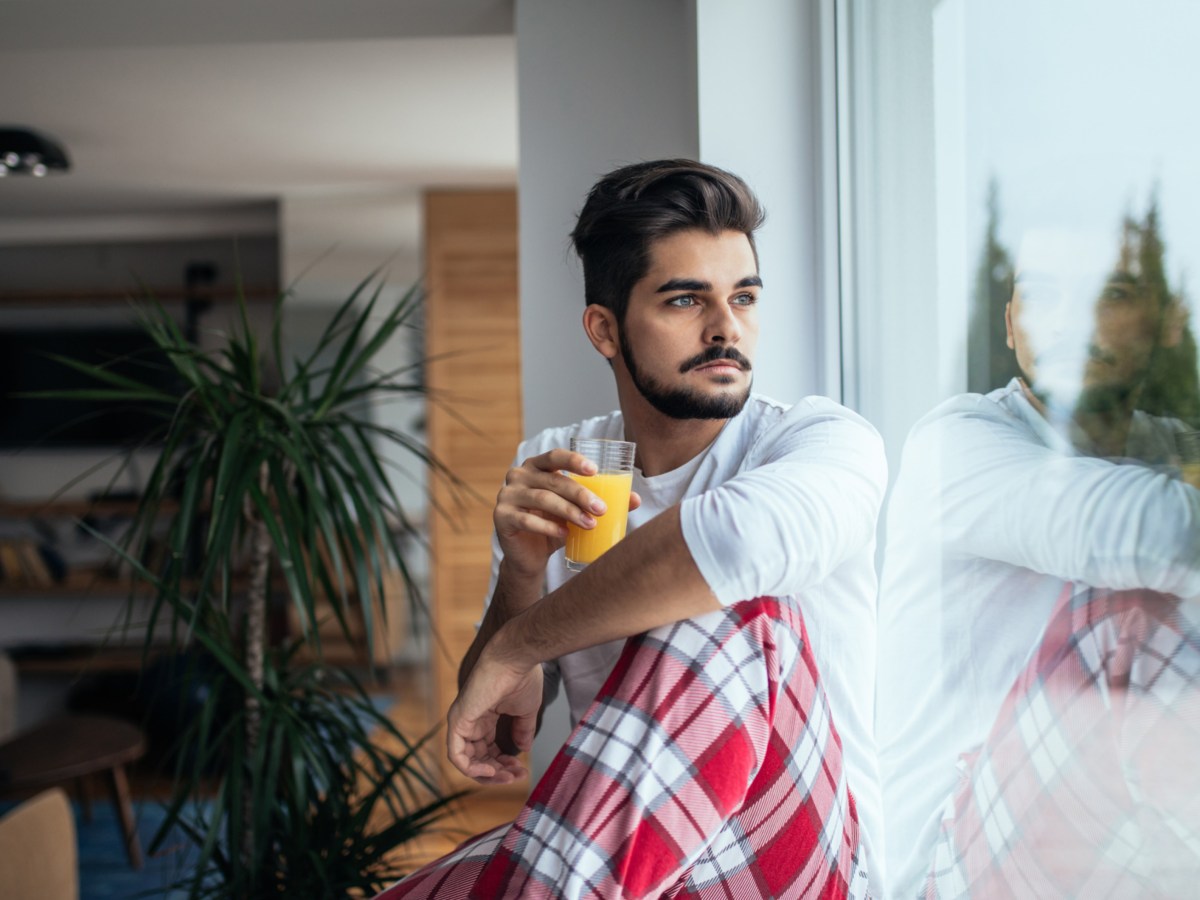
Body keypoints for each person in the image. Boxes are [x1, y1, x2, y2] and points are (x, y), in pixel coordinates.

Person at [376, 159, 887, 899]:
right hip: (635, 862)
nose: (726, 328)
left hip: (799, 856)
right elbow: (502, 711)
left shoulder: (820, 443)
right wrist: (521, 575)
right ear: (604, 329)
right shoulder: (565, 465)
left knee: (733, 602)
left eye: (743, 297)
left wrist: (519, 646)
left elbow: (738, 549)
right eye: (685, 300)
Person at [875, 219, 1200, 898]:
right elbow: (1159, 536)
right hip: (951, 860)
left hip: (1120, 837)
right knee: (1127, 602)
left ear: (1170, 321)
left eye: (1111, 292)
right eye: (1045, 294)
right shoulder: (956, 444)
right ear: (1011, 323)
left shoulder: (1168, 445)